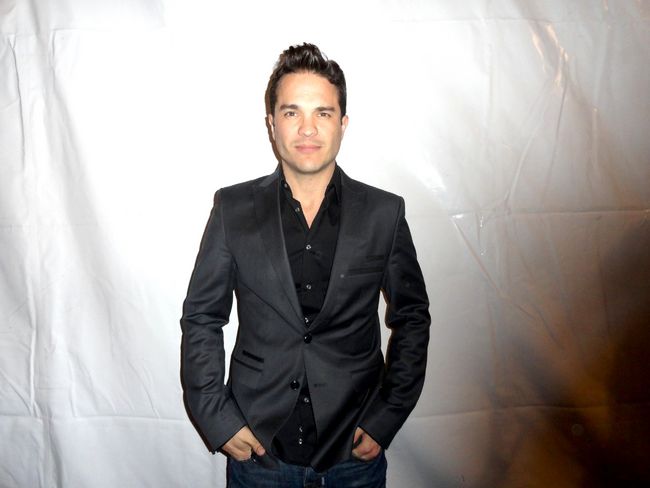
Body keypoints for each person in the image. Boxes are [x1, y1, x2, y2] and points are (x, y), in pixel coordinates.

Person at [181, 43, 430, 487]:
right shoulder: (232, 209)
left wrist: (387, 416)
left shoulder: (384, 213)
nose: (308, 128)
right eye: (292, 112)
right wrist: (217, 418)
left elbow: (412, 317)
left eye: (323, 113)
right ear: (272, 124)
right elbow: (202, 317)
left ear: (343, 123)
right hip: (260, 457)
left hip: (352, 457)